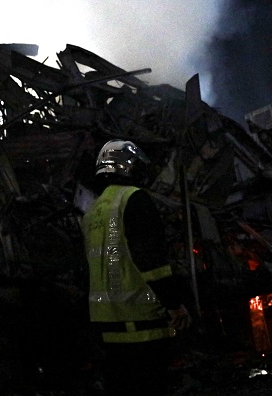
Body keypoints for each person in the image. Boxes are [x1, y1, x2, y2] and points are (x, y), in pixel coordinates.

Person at [81, 139, 192, 395]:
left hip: (108, 327)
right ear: (129, 167)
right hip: (143, 324)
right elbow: (151, 261)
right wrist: (174, 305)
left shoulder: (93, 211)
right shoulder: (134, 199)